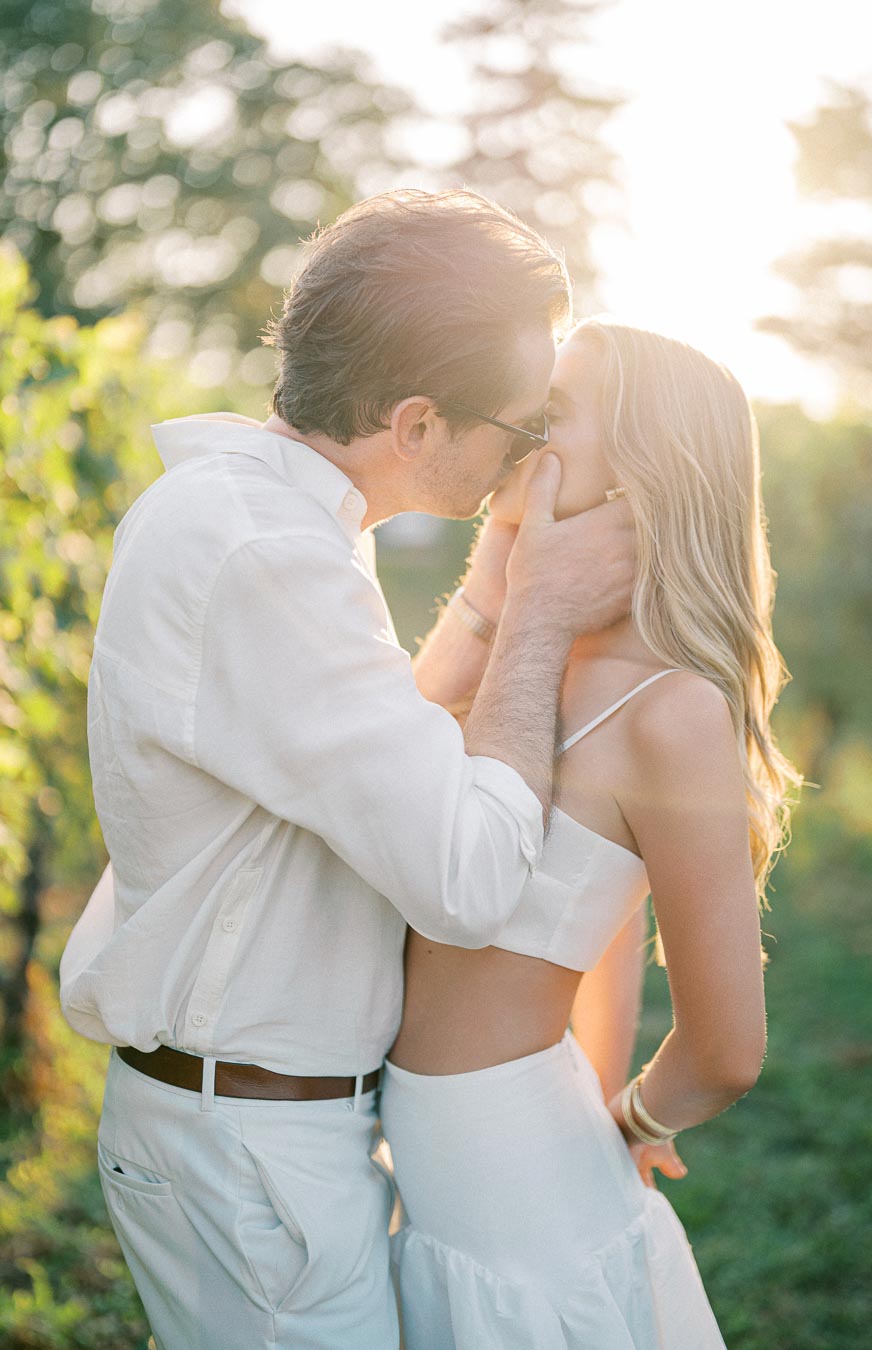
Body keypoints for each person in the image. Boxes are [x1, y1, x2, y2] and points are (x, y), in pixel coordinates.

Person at [58, 191, 636, 1350]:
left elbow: (355, 757)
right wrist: (538, 614)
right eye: (518, 425)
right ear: (416, 424)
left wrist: (493, 595)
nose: (524, 454)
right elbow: (467, 875)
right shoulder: (270, 553)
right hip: (248, 1152)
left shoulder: (255, 517)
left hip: (248, 1131)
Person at [381, 318, 802, 1349]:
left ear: (644, 467)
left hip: (523, 1194)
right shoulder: (539, 656)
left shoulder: (674, 709)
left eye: (554, 412)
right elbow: (597, 920)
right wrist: (501, 579)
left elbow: (727, 1051)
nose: (519, 428)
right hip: (434, 1167)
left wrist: (629, 1123)